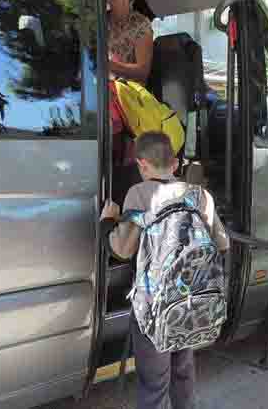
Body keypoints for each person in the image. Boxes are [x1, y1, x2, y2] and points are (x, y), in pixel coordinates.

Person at [99, 131, 230, 409]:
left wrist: (108, 221)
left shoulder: (139, 193)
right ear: (175, 164)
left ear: (142, 164)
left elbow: (122, 250)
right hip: (191, 303)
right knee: (183, 372)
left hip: (153, 307)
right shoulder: (200, 195)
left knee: (154, 383)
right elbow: (223, 244)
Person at [105, 0, 154, 83]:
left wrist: (107, 65)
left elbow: (142, 72)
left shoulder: (141, 25)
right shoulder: (99, 22)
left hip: (126, 92)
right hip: (98, 89)